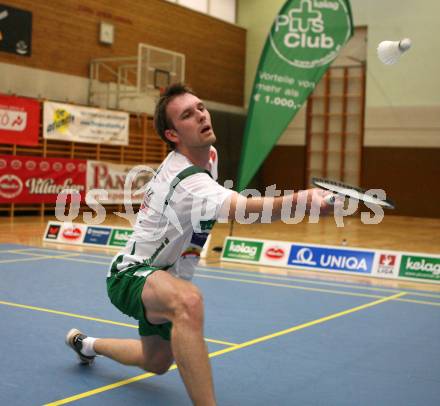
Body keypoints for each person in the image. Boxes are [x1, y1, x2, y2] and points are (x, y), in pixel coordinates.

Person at [66, 83, 331, 405]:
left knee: (157, 362)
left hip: (167, 277)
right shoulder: (188, 180)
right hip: (132, 275)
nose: (201, 116)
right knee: (188, 303)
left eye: (201, 108)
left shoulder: (209, 156)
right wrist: (303, 201)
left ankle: (86, 344)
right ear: (173, 135)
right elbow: (243, 211)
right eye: (188, 115)